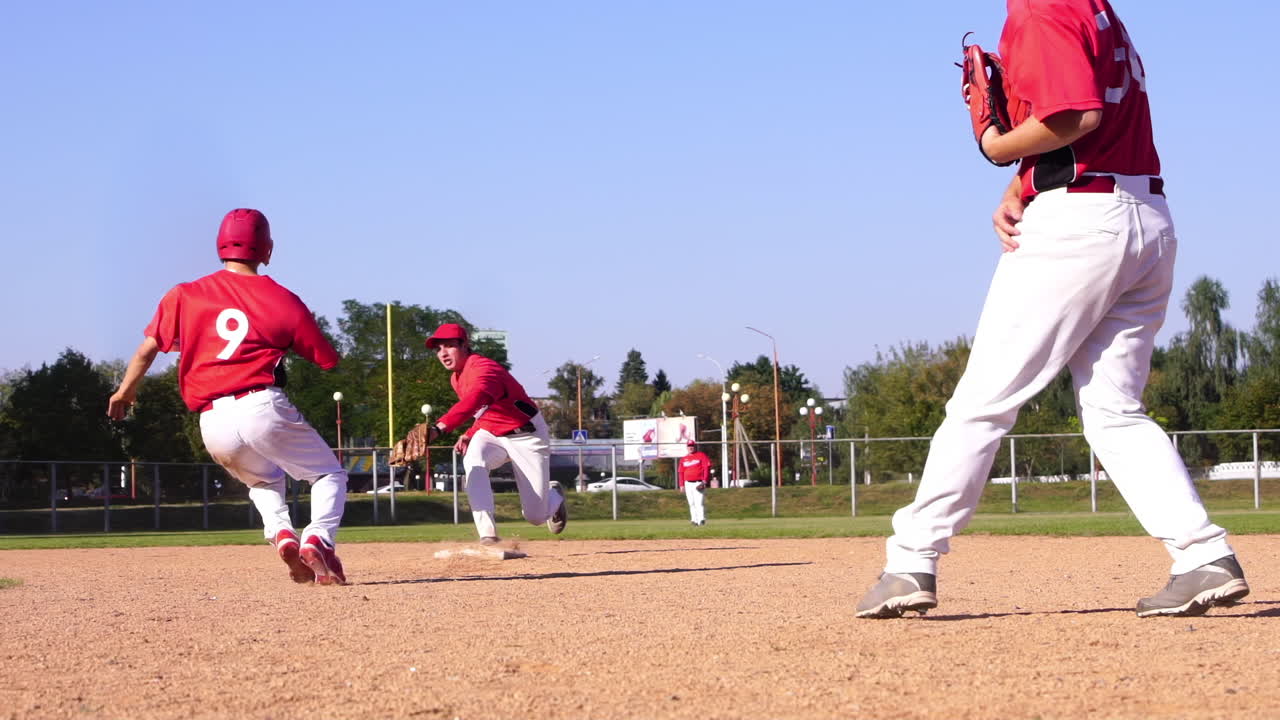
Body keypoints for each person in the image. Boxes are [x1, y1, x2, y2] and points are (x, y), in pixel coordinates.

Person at [855, 0, 1248, 619]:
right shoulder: (1095, 9)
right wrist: (1020, 185)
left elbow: (1075, 115)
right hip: (1145, 218)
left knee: (983, 403)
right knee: (1114, 410)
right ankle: (1203, 555)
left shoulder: (1039, 7)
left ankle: (910, 561)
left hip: (1081, 225)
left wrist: (995, 146)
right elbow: (1098, 126)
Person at [107, 208, 349, 586]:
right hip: (260, 403)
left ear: (220, 246)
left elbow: (146, 350)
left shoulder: (185, 294)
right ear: (267, 250)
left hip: (211, 420)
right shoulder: (284, 300)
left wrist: (125, 391)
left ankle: (282, 533)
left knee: (263, 482)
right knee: (327, 474)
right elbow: (328, 360)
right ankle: (318, 538)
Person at [389, 323, 566, 543]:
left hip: (526, 436)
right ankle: (488, 535)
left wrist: (439, 428)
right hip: (491, 433)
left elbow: (478, 396)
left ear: (465, 345)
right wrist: (470, 432)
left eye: (449, 346)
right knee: (473, 461)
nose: (442, 353)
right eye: (438, 349)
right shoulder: (456, 378)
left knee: (535, 516)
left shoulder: (484, 369)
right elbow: (484, 410)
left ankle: (554, 497)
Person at [677, 441, 711, 526]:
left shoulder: (701, 455)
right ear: (687, 447)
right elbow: (681, 472)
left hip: (698, 482)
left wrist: (705, 480)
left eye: (692, 446)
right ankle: (694, 520)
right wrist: (681, 485)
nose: (690, 447)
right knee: (691, 503)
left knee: (699, 502)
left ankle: (701, 520)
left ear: (695, 447)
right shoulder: (683, 459)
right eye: (689, 446)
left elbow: (706, 468)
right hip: (687, 483)